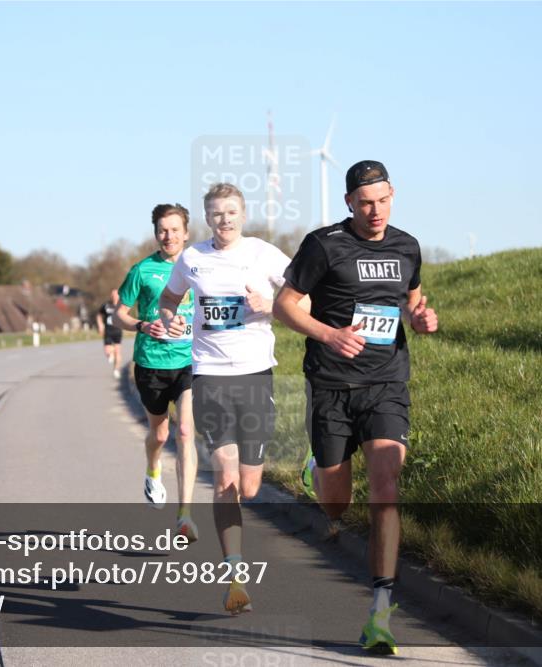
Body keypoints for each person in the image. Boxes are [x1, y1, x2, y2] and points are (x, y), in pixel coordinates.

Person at [273, 160, 438, 653]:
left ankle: (380, 614)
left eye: (384, 200)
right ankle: (318, 466)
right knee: (336, 504)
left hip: (387, 381)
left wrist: (421, 316)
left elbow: (412, 297)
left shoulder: (406, 245)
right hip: (331, 385)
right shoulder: (323, 245)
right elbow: (285, 303)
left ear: (393, 196)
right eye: (366, 203)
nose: (376, 211)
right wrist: (329, 333)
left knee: (386, 485)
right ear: (349, 202)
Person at [158, 182, 300, 615]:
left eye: (232, 212)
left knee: (250, 485)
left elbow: (304, 297)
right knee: (224, 478)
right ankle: (234, 574)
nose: (225, 220)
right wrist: (172, 321)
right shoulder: (193, 258)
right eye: (217, 213)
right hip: (211, 379)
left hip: (256, 377)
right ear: (208, 217)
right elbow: (169, 298)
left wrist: (272, 302)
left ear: (243, 214)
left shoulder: (265, 254)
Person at [114, 203, 199, 541]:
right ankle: (153, 470)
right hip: (151, 363)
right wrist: (140, 325)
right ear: (156, 234)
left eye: (175, 229)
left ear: (186, 233)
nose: (169, 236)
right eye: (163, 230)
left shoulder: (198, 266)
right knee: (160, 435)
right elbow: (118, 314)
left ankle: (185, 515)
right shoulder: (142, 270)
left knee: (186, 433)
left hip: (189, 362)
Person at [97, 289, 123, 379]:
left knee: (118, 352)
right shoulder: (106, 305)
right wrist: (100, 325)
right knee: (107, 350)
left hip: (117, 331)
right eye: (112, 295)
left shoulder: (121, 306)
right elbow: (99, 315)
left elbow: (126, 316)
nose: (114, 297)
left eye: (116, 295)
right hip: (108, 330)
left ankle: (116, 370)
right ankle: (110, 354)